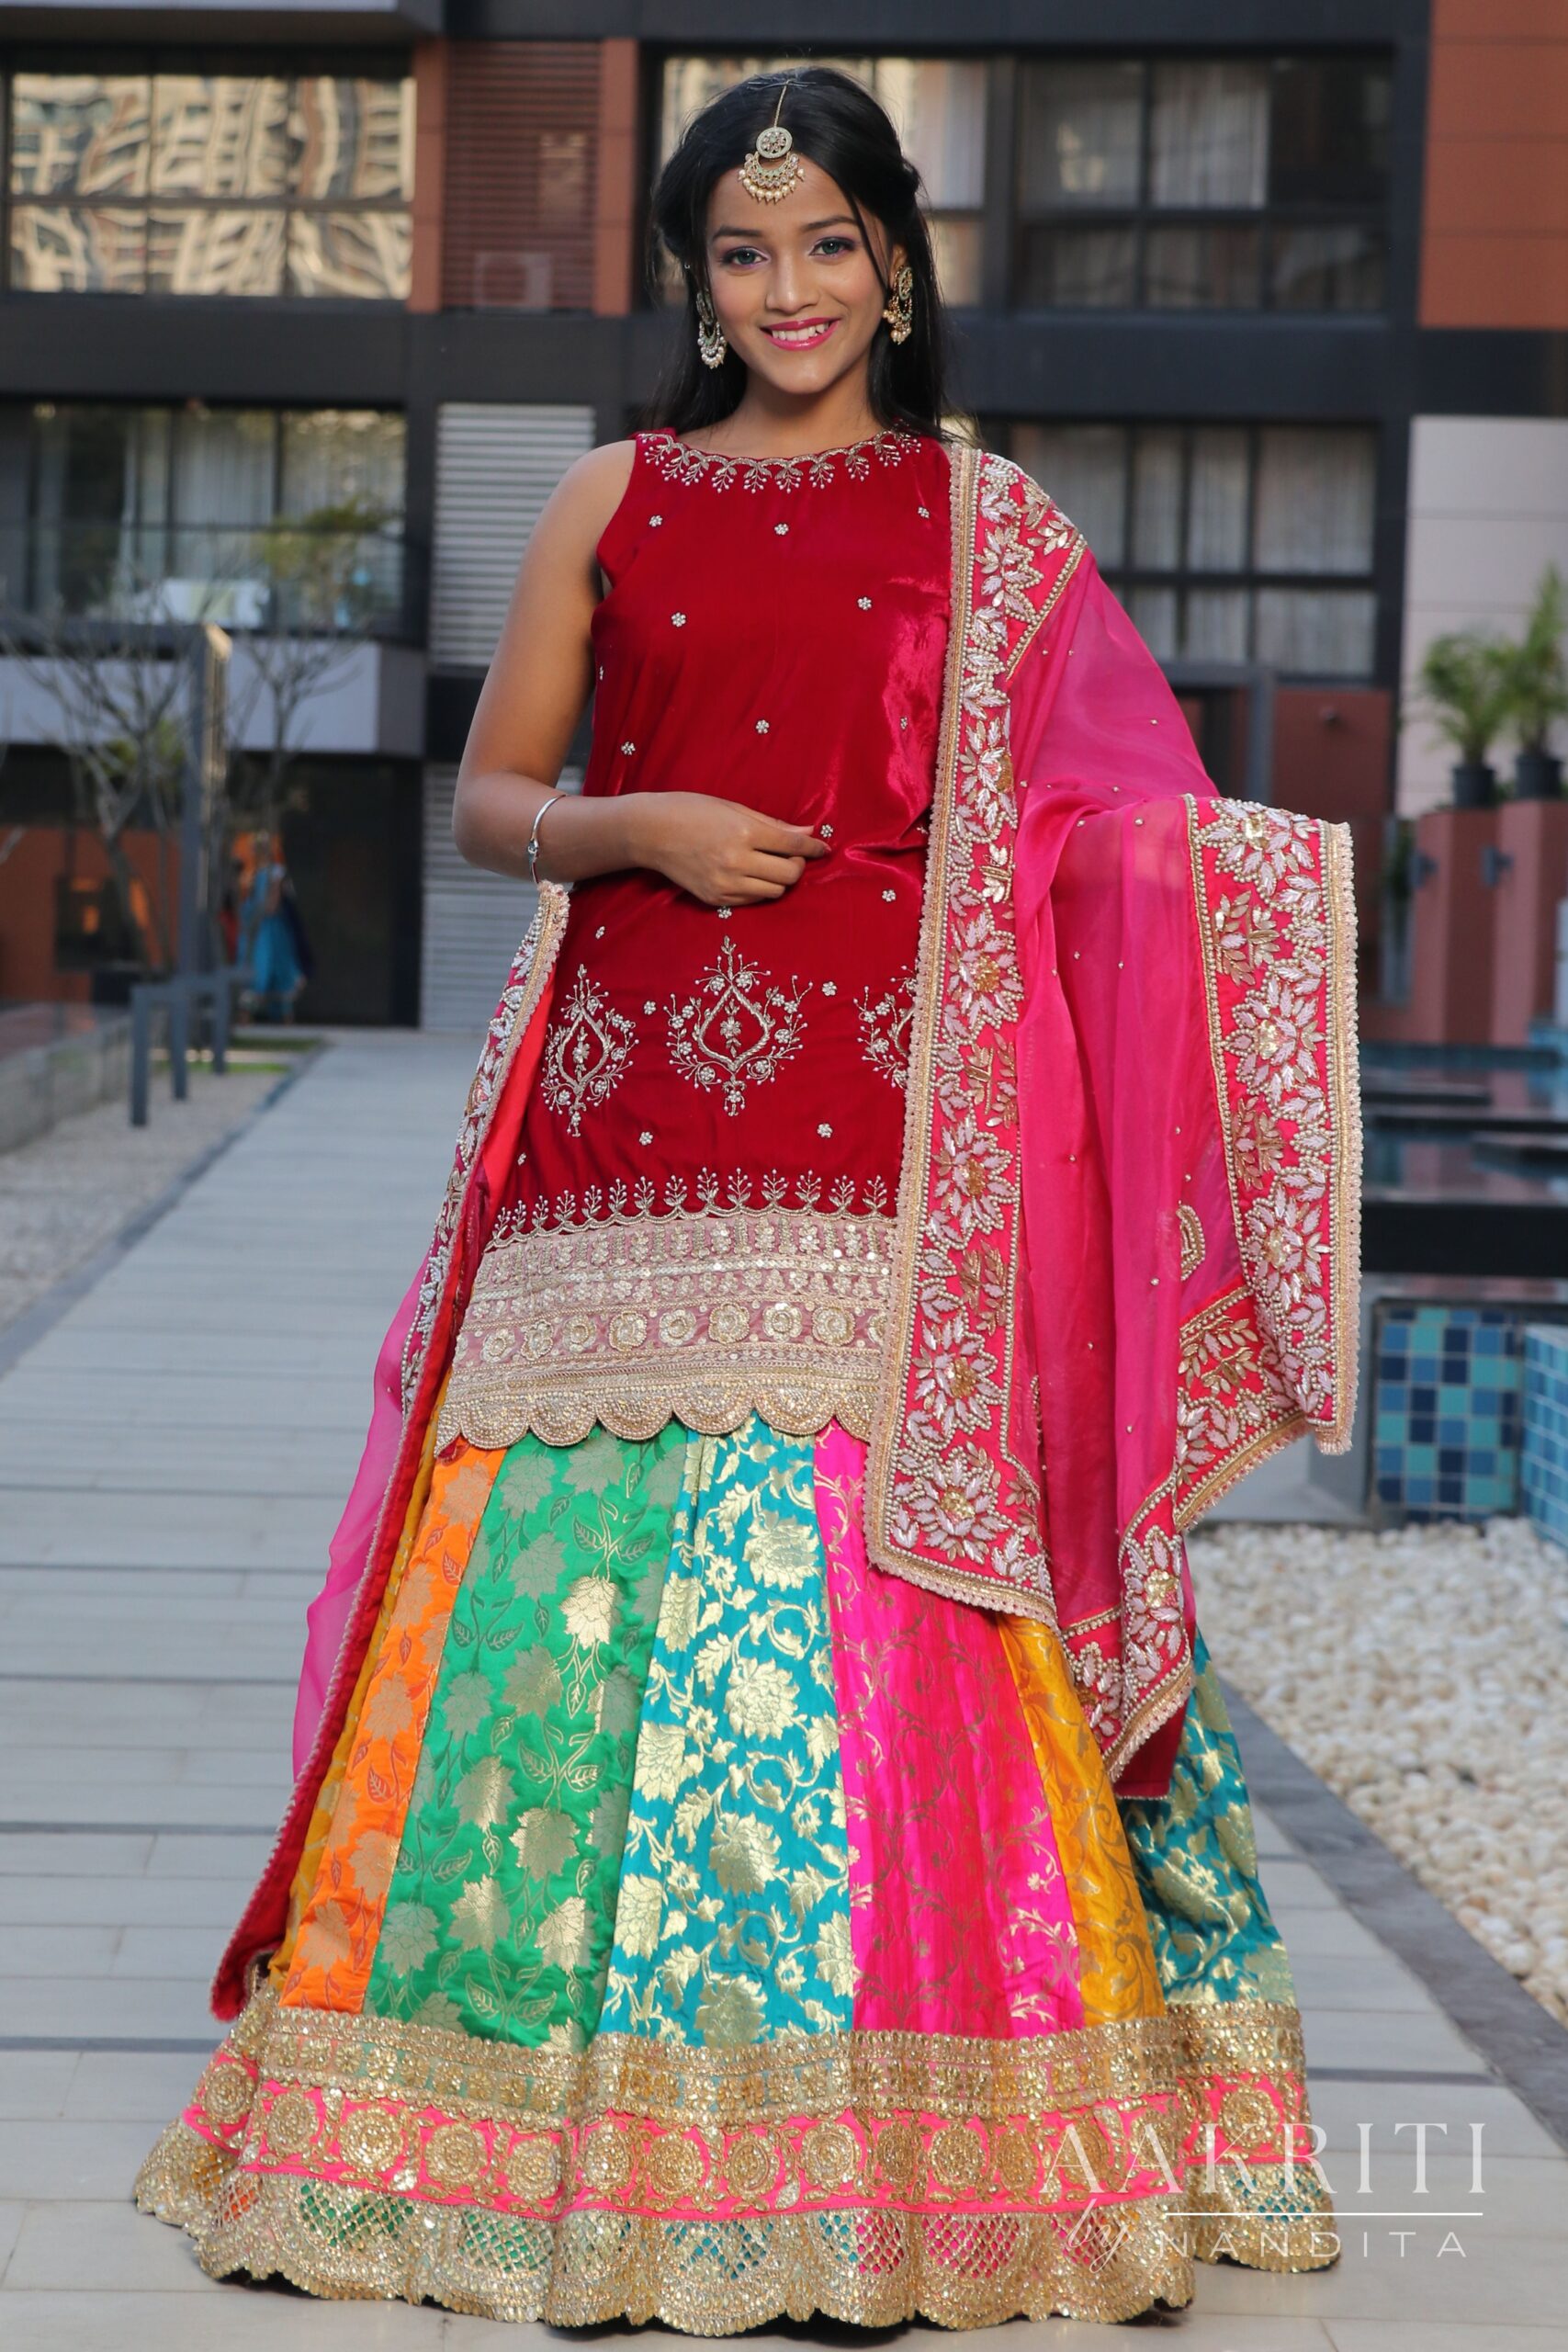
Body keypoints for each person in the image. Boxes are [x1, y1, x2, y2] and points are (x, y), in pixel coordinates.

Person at [136, 68, 1359, 2330]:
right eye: (738, 252)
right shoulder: (611, 496)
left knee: (864, 1601)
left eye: (825, 245)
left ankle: (894, 2162)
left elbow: (1112, 815)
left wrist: (1247, 896)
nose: (785, 290)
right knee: (547, 1605)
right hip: (617, 1123)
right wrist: (643, 826)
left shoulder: (990, 524)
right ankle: (444, 2128)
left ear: (892, 261)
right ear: (695, 282)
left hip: (889, 1137)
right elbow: (500, 793)